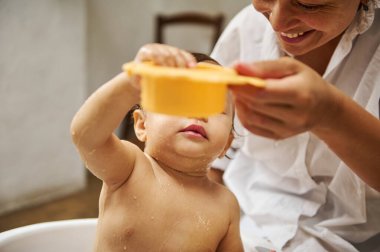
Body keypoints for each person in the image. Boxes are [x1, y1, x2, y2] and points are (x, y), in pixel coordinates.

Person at [210, 0, 380, 251]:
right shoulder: (248, 27)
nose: (277, 22)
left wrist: (333, 115)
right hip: (242, 226)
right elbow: (214, 159)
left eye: (309, 4)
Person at [70, 43, 244, 252]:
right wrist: (131, 83)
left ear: (227, 143)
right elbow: (86, 136)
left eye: (213, 106)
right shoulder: (130, 168)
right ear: (143, 125)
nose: (199, 113)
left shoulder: (225, 205)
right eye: (180, 100)